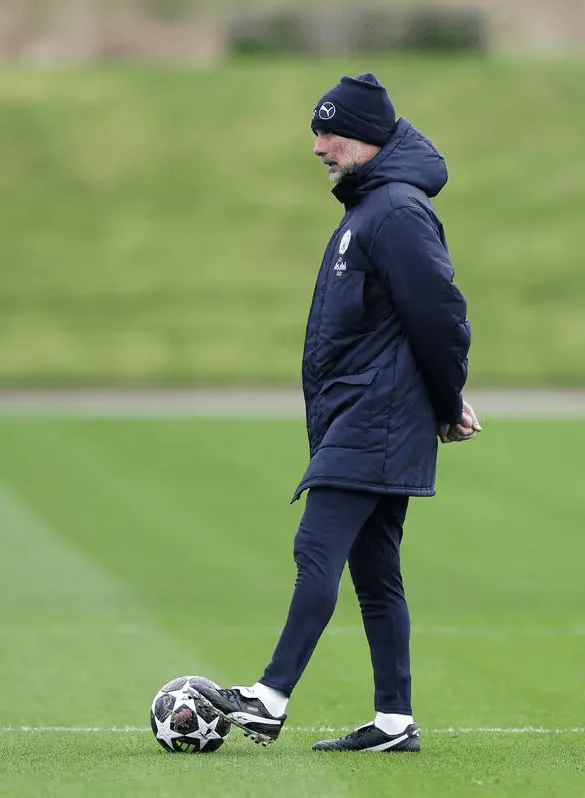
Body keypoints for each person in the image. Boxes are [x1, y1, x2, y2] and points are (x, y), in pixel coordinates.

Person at [192, 72, 479, 753]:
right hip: (368, 412)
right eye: (317, 133)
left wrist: (447, 401)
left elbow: (440, 315)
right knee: (376, 573)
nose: (320, 146)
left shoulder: (396, 212)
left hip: (377, 416)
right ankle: (394, 723)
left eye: (331, 133)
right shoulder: (371, 209)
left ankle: (269, 697)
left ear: (368, 137)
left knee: (316, 547)